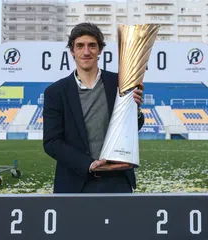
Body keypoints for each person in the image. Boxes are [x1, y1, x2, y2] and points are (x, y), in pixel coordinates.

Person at [42, 22, 145, 193]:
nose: (86, 51)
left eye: (92, 45)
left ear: (100, 50)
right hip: (75, 183)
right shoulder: (55, 92)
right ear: (72, 51)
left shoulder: (120, 83)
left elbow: (133, 128)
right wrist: (88, 164)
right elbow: (51, 142)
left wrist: (136, 111)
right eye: (80, 46)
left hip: (117, 179)